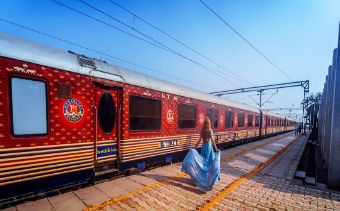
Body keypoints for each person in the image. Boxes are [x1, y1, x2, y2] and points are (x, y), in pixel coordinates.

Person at [181, 117, 221, 191]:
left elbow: (199, 141)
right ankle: (207, 180)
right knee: (209, 163)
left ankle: (200, 178)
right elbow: (212, 141)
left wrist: (194, 147)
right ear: (209, 124)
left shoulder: (202, 131)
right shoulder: (210, 131)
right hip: (209, 149)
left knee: (202, 164)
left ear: (204, 124)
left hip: (203, 148)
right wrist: (216, 149)